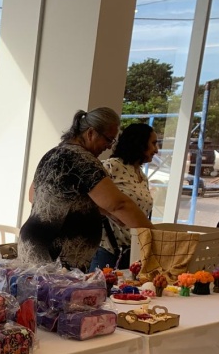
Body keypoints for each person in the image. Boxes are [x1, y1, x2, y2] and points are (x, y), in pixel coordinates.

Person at [19, 107, 153, 270]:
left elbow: (33, 195)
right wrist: (155, 236)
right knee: (55, 295)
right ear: (91, 133)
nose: (109, 146)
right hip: (57, 254)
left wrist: (89, 208)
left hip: (35, 243)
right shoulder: (83, 160)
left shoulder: (53, 154)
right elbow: (119, 204)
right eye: (108, 139)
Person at [89, 123, 158, 270]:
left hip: (132, 251)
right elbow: (86, 198)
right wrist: (109, 212)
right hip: (107, 249)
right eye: (153, 143)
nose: (156, 150)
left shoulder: (141, 175)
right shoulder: (110, 167)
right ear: (139, 143)